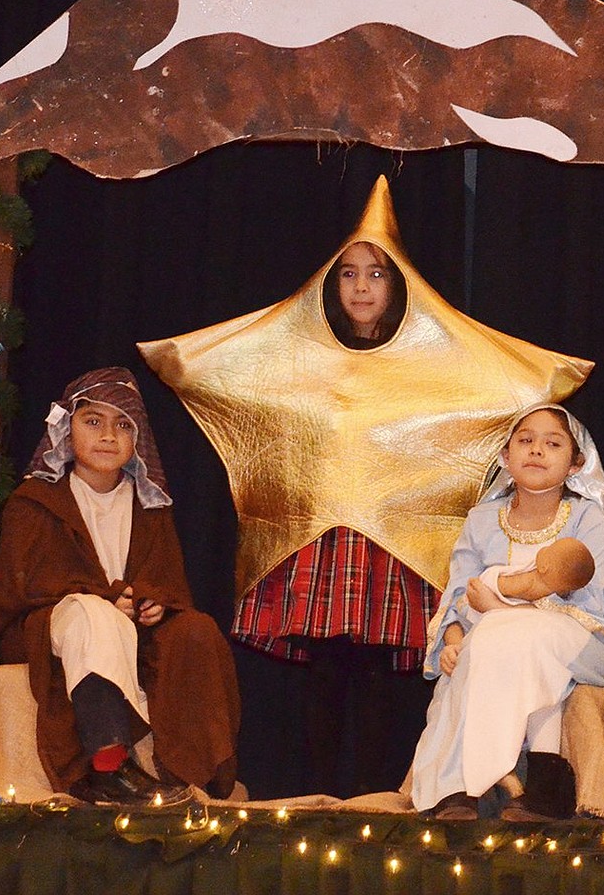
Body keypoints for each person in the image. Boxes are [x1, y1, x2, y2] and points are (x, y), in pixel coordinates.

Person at [231, 240, 436, 796]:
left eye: (376, 275)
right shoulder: (310, 354)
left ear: (396, 287)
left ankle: (371, 797)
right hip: (323, 534)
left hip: (385, 536)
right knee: (324, 668)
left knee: (374, 671)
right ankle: (317, 793)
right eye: (349, 274)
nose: (362, 287)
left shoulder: (419, 362)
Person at [0, 367, 241, 805]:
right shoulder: (35, 503)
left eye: (123, 424)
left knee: (197, 630)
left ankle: (192, 771)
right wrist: (104, 598)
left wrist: (154, 604)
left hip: (134, 634)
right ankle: (109, 765)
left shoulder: (150, 507)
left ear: (137, 440)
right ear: (67, 430)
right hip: (52, 628)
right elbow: (19, 593)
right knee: (93, 612)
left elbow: (168, 586)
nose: (108, 435)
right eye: (94, 422)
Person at [410, 404, 604, 821]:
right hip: (492, 639)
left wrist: (499, 606)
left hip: (590, 642)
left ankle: (513, 784)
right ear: (505, 456)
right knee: (490, 648)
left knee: (518, 638)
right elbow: (460, 594)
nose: (537, 450)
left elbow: (586, 606)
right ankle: (467, 790)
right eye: (525, 440)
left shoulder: (588, 519)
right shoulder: (481, 520)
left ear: (576, 464)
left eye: (552, 443)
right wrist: (454, 641)